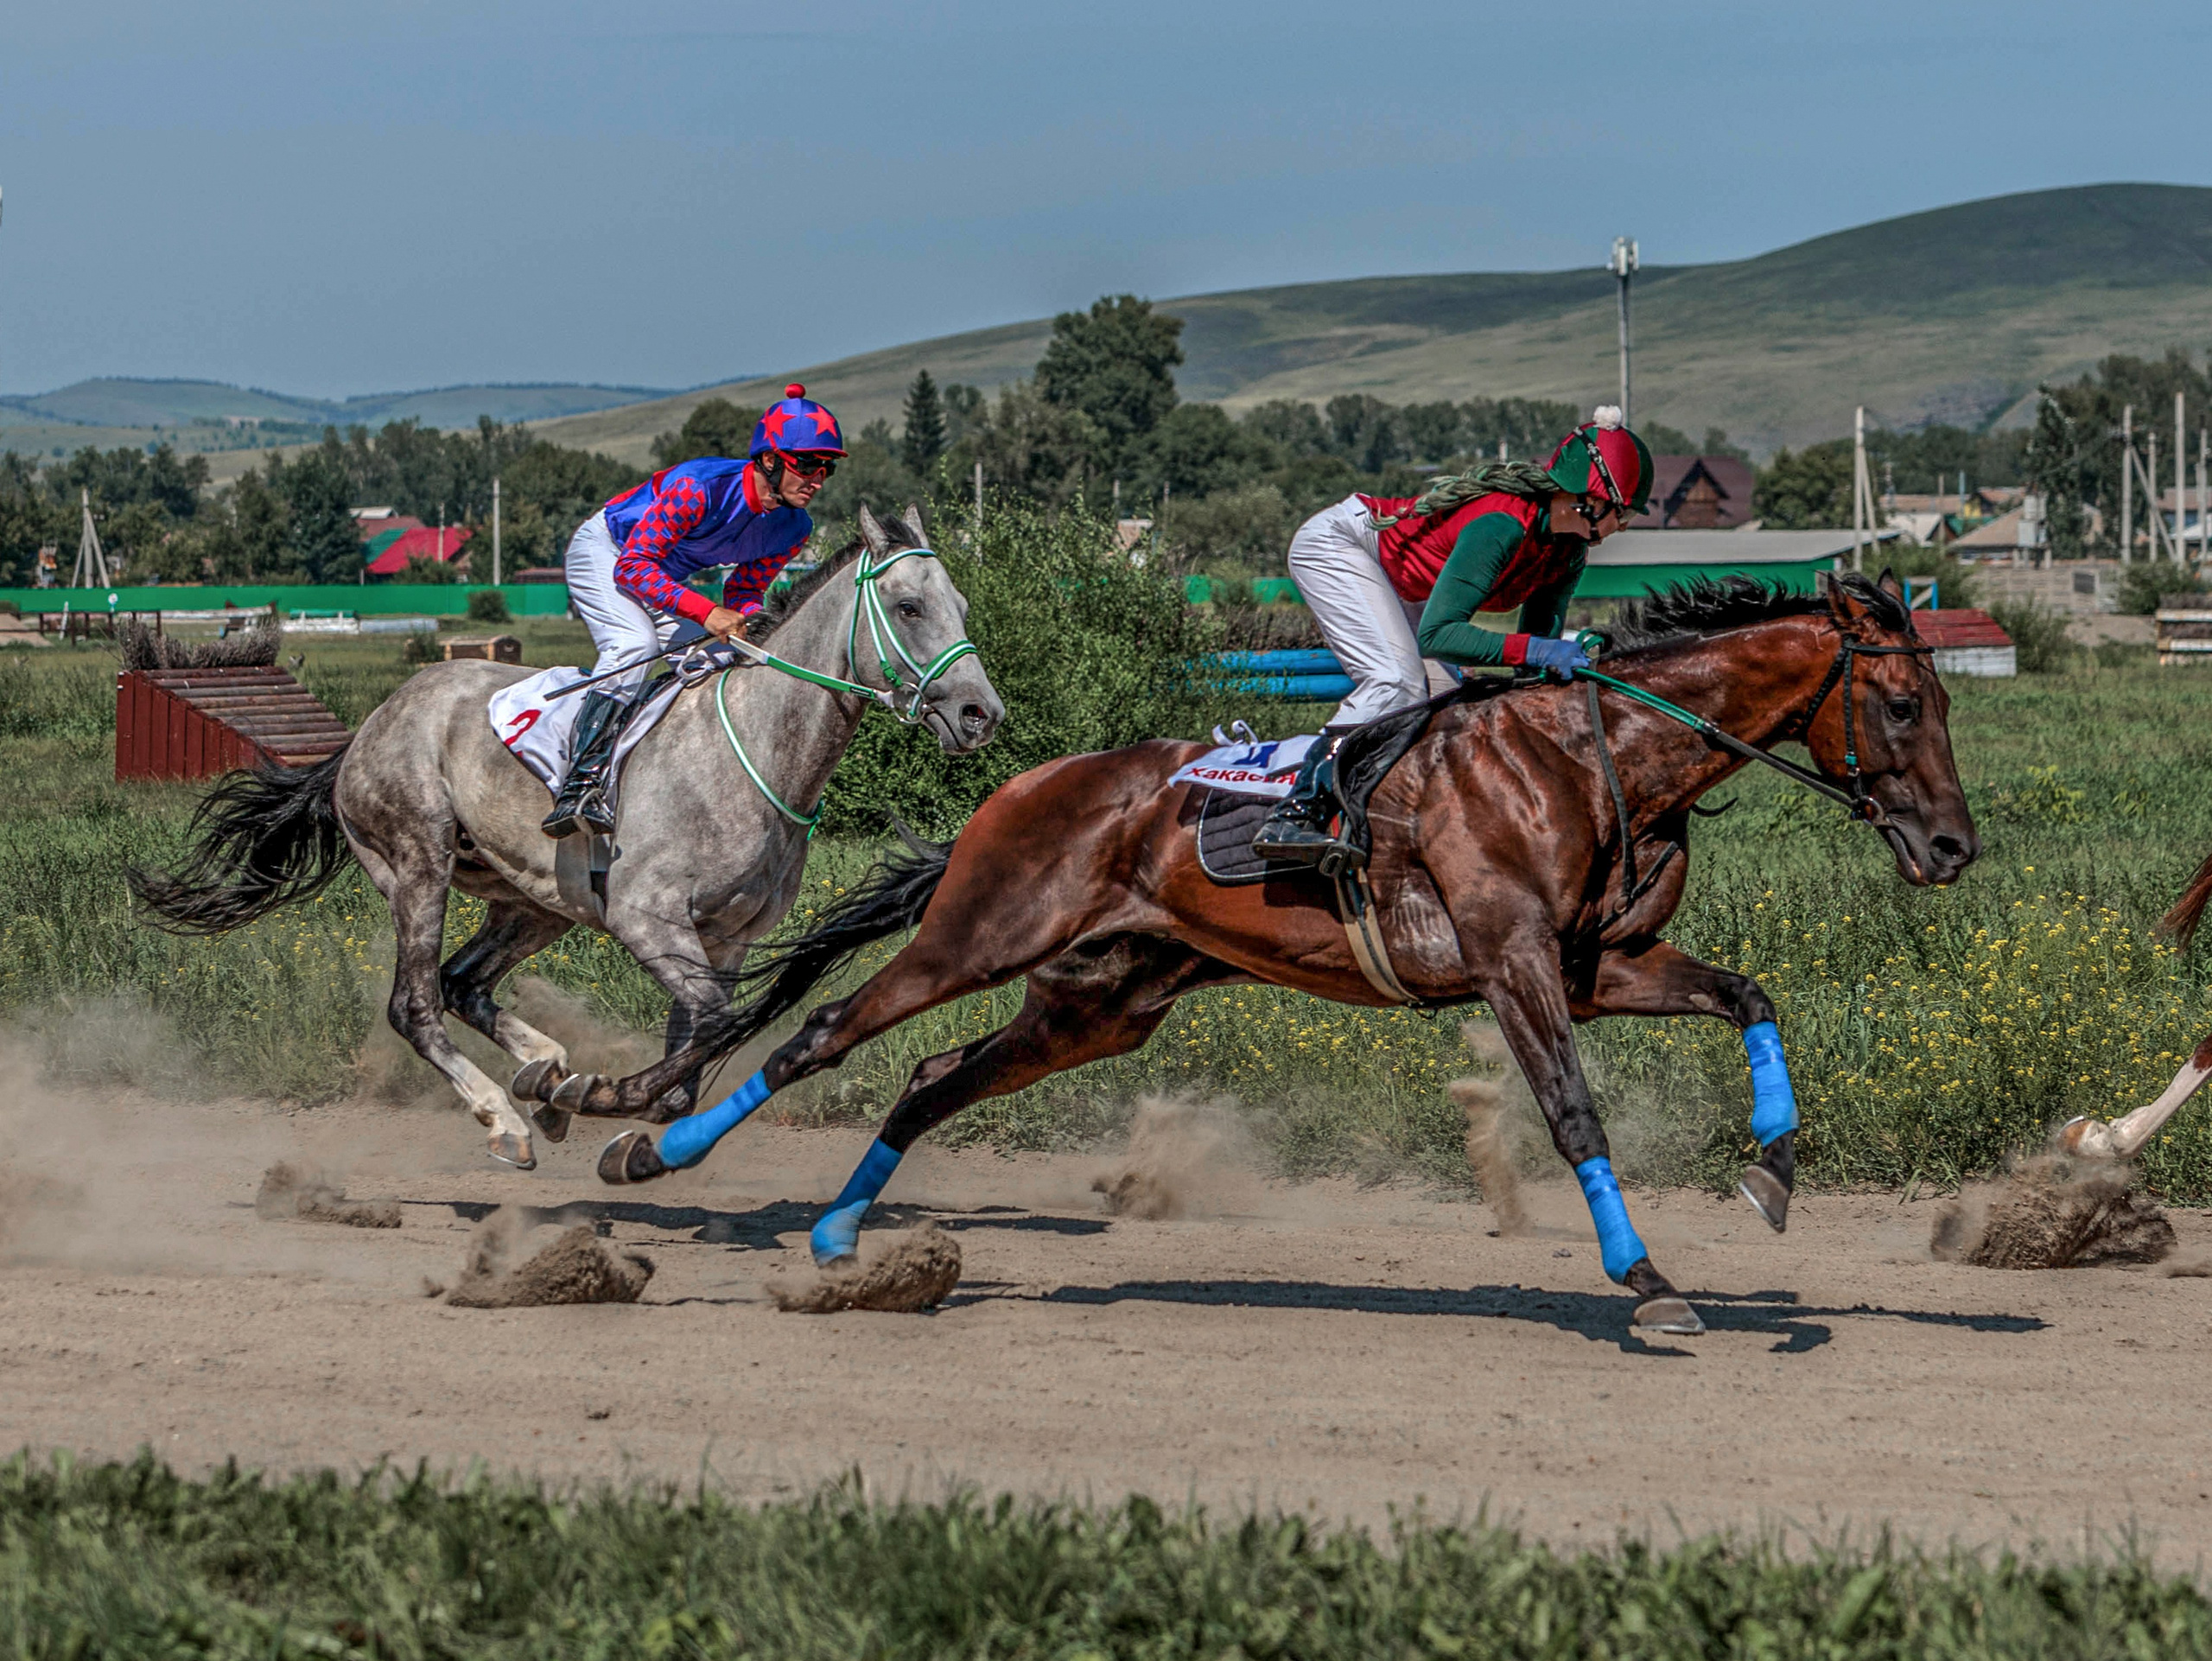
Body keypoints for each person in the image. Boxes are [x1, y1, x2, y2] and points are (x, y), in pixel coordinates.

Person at [1250, 407, 1652, 870]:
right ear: (1587, 498)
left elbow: (1530, 660)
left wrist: (1552, 664)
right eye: (1620, 514)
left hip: (1406, 583)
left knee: (1450, 700)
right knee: (1396, 683)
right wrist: (1541, 649)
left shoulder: (1567, 552)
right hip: (1343, 547)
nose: (1622, 527)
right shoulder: (1501, 526)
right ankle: (1298, 812)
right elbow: (1441, 634)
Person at [542, 385, 845, 838]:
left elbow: (746, 588)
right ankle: (579, 785)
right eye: (805, 465)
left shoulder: (795, 527)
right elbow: (632, 568)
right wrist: (707, 613)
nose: (817, 479)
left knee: (724, 661)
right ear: (768, 460)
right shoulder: (699, 487)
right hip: (610, 551)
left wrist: (747, 620)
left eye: (827, 468)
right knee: (633, 645)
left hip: (661, 575)